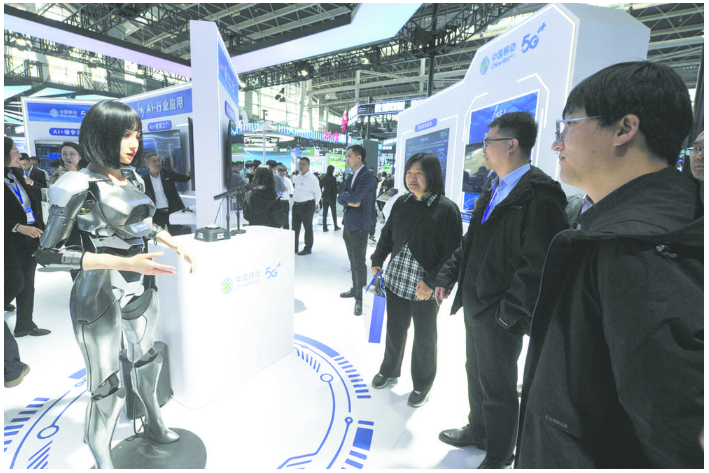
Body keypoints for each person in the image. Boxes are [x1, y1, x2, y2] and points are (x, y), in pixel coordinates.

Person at [516, 61, 703, 469]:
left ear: (624, 129)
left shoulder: (639, 249)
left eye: (567, 126)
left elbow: (675, 433)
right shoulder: (646, 225)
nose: (557, 144)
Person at [34, 100, 196, 469]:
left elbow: (141, 224)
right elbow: (47, 255)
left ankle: (155, 423)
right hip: (99, 290)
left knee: (147, 359)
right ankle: (103, 461)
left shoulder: (133, 178)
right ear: (101, 135)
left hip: (140, 283)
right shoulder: (76, 184)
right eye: (125, 135)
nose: (133, 143)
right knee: (105, 385)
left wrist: (171, 241)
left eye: (136, 134)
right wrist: (123, 262)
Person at [435, 112, 568, 469]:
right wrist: (447, 276)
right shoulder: (494, 185)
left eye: (488, 142)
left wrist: (508, 314)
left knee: (498, 385)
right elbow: (472, 241)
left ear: (511, 145)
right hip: (476, 305)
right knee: (475, 372)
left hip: (499, 313)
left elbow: (539, 265)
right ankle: (479, 430)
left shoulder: (539, 196)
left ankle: (499, 452)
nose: (483, 149)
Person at [370, 153, 462, 408]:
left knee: (424, 337)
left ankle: (422, 384)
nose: (412, 178)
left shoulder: (447, 209)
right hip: (396, 280)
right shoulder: (401, 202)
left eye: (419, 173)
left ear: (432, 176)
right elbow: (387, 236)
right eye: (409, 173)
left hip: (425, 287)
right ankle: (389, 370)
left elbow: (453, 253)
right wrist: (377, 259)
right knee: (395, 330)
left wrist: (432, 282)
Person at [5, 137, 51, 338]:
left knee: (28, 284)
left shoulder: (16, 174)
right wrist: (16, 227)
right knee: (16, 282)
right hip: (9, 240)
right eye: (15, 150)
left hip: (30, 236)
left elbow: (30, 202)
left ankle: (25, 325)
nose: (19, 154)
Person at [338, 145, 379, 316]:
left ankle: (360, 298)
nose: (346, 159)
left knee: (359, 262)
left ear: (359, 157)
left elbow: (355, 197)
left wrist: (347, 198)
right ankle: (356, 288)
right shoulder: (352, 176)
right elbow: (341, 196)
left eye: (349, 156)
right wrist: (347, 199)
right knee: (352, 261)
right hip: (349, 223)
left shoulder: (367, 177)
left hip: (360, 225)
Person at [143, 153, 193, 234]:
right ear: (147, 164)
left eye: (158, 160)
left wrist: (188, 175)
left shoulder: (168, 173)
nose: (158, 163)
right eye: (154, 161)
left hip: (172, 211)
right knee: (158, 235)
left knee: (176, 234)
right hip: (157, 214)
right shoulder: (145, 180)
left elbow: (183, 178)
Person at [292, 157, 322, 255]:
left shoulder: (312, 178)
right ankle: (294, 247)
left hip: (307, 205)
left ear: (308, 165)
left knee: (307, 227)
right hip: (296, 205)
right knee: (295, 228)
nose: (301, 166)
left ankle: (308, 248)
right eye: (300, 164)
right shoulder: (298, 177)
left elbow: (318, 193)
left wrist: (314, 204)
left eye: (303, 164)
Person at [320, 165, 340, 232]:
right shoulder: (333, 178)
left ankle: (324, 227)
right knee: (333, 212)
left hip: (325, 196)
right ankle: (335, 226)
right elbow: (334, 188)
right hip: (331, 197)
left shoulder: (323, 178)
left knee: (324, 212)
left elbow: (320, 187)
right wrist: (335, 196)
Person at [276, 164, 293, 230]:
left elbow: (291, 191)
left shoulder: (288, 181)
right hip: (276, 201)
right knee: (276, 219)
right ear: (277, 171)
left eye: (284, 174)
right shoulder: (274, 179)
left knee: (286, 219)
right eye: (281, 174)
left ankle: (286, 232)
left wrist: (287, 190)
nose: (282, 176)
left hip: (285, 201)